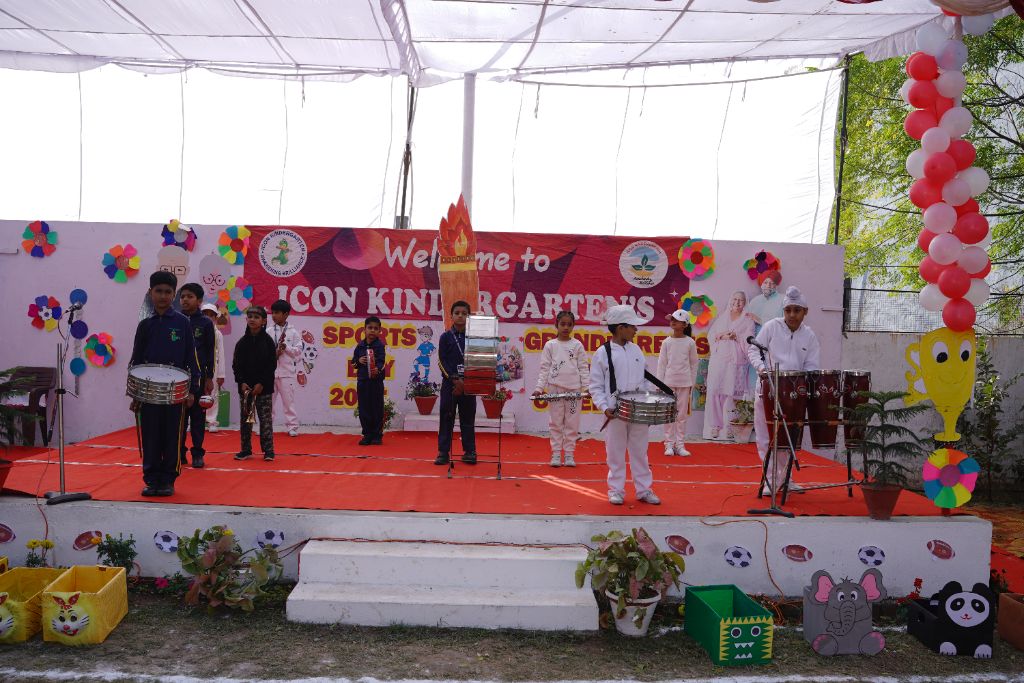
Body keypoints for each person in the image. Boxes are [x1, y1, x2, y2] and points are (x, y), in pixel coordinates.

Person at [128, 271, 200, 497]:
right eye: (158, 291)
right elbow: (136, 360)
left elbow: (192, 358)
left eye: (168, 292)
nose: (163, 296)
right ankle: (151, 479)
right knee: (150, 436)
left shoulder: (182, 323)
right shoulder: (144, 325)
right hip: (148, 393)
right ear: (150, 293)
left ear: (174, 295)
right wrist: (135, 395)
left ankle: (168, 479)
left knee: (172, 436)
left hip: (175, 393)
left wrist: (192, 390)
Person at [746, 286, 821, 494]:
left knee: (788, 439)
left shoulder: (810, 336)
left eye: (797, 310)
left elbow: (812, 366)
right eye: (788, 310)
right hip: (768, 389)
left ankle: (786, 479)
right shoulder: (771, 327)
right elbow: (753, 349)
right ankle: (771, 480)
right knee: (766, 437)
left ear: (805, 312)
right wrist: (762, 369)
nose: (792, 315)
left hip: (794, 396)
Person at [589, 304, 661, 506]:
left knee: (640, 451)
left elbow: (646, 378)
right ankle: (616, 490)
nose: (636, 330)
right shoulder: (602, 353)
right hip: (615, 412)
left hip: (638, 410)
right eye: (632, 326)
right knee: (615, 452)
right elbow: (595, 385)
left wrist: (648, 399)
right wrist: (604, 407)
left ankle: (644, 490)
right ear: (620, 327)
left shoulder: (636, 349)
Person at [532, 311, 590, 468]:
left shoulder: (577, 345)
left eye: (569, 324)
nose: (565, 327)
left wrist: (587, 387)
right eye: (562, 324)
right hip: (555, 389)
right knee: (556, 423)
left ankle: (569, 454)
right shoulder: (550, 345)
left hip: (574, 390)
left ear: (573, 326)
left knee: (572, 423)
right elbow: (544, 369)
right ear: (556, 325)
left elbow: (584, 368)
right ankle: (556, 453)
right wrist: (539, 388)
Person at [704, 291, 755, 441]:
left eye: (741, 300)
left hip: (736, 361)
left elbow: (750, 338)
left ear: (745, 302)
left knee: (733, 393)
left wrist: (736, 337)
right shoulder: (723, 317)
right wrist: (723, 335)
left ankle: (730, 427)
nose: (737, 302)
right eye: (735, 299)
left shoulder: (747, 320)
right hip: (719, 360)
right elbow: (712, 335)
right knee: (714, 392)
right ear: (730, 300)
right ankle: (715, 426)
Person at [434, 300, 477, 466]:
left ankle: (470, 451)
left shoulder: (474, 338)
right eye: (457, 313)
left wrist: (466, 381)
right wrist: (454, 379)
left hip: (468, 385)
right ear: (451, 316)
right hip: (450, 385)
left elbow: (476, 361)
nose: (460, 316)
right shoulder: (445, 337)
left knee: (468, 418)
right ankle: (443, 452)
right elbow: (441, 361)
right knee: (446, 417)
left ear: (469, 317)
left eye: (464, 313)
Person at [177, 283, 215, 469]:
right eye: (182, 296)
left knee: (198, 418)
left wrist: (209, 377)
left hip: (198, 378)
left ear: (199, 301)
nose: (185, 299)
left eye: (189, 296)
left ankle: (198, 453)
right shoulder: (175, 319)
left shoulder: (206, 323)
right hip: (177, 378)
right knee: (179, 419)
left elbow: (209, 351)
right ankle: (179, 453)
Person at [232, 306, 278, 462]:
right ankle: (245, 450)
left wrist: (261, 384)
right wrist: (241, 382)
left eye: (256, 317)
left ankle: (269, 451)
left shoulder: (268, 342)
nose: (252, 319)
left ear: (264, 321)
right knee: (246, 420)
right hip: (245, 389)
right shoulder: (242, 343)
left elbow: (271, 365)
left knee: (265, 420)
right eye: (250, 316)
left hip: (263, 389)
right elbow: (236, 365)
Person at [657, 310, 699, 457]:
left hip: (684, 383)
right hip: (668, 383)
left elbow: (694, 364)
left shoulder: (690, 342)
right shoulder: (667, 342)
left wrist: (692, 383)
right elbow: (662, 364)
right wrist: (659, 384)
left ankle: (680, 445)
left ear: (685, 324)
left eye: (676, 320)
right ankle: (668, 444)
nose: (673, 322)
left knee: (681, 415)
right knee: (669, 414)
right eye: (671, 319)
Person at [268, 300, 303, 437]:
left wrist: (286, 348)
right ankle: (267, 425)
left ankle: (292, 426)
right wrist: (274, 353)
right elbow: (264, 350)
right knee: (268, 402)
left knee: (289, 402)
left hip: (287, 373)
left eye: (277, 313)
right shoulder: (268, 331)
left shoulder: (293, 332)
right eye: (273, 313)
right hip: (270, 373)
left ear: (286, 314)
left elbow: (299, 351)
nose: (274, 316)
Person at [352, 316, 387, 446]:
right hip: (363, 381)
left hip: (376, 382)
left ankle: (377, 435)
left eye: (375, 328)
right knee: (364, 408)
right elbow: (353, 363)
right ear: (364, 329)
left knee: (377, 408)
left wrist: (376, 369)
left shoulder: (380, 346)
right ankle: (367, 434)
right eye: (370, 328)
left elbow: (382, 362)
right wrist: (358, 361)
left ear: (380, 331)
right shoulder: (359, 345)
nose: (372, 331)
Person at [201, 303, 226, 433]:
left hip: (214, 367)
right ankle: (193, 421)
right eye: (205, 314)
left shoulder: (218, 334)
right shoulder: (195, 330)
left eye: (211, 315)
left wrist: (221, 374)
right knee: (196, 392)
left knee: (213, 393)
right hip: (198, 366)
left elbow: (221, 354)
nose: (208, 317)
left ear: (215, 318)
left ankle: (211, 421)